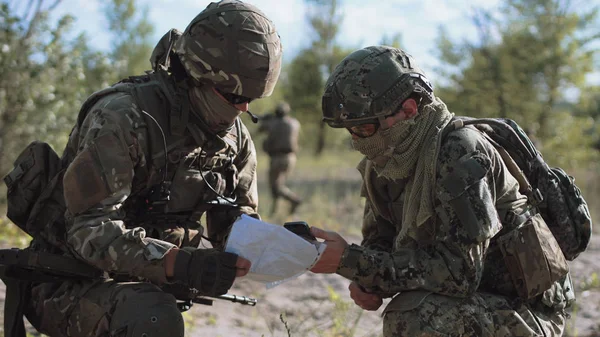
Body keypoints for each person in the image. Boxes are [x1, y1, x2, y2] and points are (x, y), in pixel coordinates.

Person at [17, 1, 282, 336]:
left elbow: (235, 228)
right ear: (196, 74)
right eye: (232, 95)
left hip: (146, 287)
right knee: (152, 317)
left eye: (252, 100)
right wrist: (176, 262)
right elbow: (88, 231)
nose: (243, 109)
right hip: (67, 283)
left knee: (150, 309)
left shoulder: (233, 141)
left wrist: (280, 245)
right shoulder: (124, 117)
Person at [309, 46, 573, 336]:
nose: (357, 141)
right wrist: (365, 279)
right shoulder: (387, 161)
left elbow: (460, 272)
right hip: (479, 300)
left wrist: (353, 262)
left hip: (527, 309)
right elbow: (380, 240)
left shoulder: (460, 152)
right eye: (351, 131)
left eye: (364, 129)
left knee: (414, 315)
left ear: (408, 110)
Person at [257, 101, 302, 215]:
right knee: (278, 184)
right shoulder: (294, 123)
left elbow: (261, 129)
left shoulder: (274, 123)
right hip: (291, 158)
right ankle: (274, 211)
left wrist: (265, 119)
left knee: (276, 187)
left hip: (277, 157)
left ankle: (294, 200)